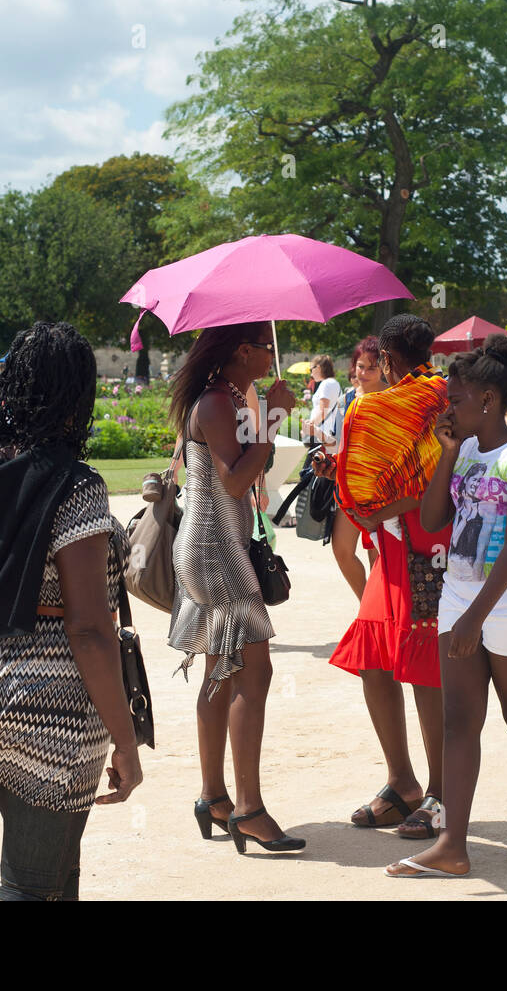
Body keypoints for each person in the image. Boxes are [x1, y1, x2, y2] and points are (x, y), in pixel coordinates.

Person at [0, 321, 141, 901]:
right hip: (54, 704)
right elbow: (91, 631)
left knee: (54, 877)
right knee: (32, 887)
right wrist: (125, 739)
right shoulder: (74, 486)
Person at [387, 335, 507, 877]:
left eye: (455, 401)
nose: (448, 409)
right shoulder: (461, 452)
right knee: (459, 721)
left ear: (488, 400)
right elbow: (436, 520)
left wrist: (474, 618)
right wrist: (445, 454)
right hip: (460, 596)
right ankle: (453, 847)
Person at [167, 321, 305, 855]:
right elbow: (233, 478)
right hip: (215, 549)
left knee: (221, 668)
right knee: (254, 670)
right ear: (243, 350)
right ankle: (248, 808)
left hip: (211, 543)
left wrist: (266, 411)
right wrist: (272, 419)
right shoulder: (216, 403)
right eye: (267, 346)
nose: (272, 353)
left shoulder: (224, 396)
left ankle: (214, 797)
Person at [320, 315, 449, 840]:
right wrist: (348, 473)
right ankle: (404, 784)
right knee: (376, 659)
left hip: (426, 545)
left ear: (390, 360)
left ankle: (442, 793)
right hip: (395, 548)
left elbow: (440, 476)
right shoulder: (436, 398)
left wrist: (372, 498)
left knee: (423, 667)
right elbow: (377, 471)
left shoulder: (423, 400)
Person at [331, 337, 384, 601]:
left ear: (384, 368)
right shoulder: (347, 398)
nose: (362, 373)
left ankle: (379, 616)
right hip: (349, 487)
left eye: (370, 368)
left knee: (379, 557)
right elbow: (339, 442)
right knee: (341, 550)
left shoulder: (391, 398)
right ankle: (367, 608)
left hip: (381, 490)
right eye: (359, 367)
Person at [304, 354, 342, 446]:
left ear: (318, 367)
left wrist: (309, 427)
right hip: (326, 435)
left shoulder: (327, 384)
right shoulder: (333, 383)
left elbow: (323, 411)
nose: (311, 373)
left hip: (322, 435)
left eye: (311, 369)